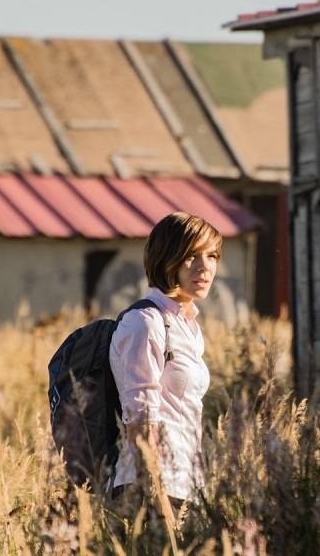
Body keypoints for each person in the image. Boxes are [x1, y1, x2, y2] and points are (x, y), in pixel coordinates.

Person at [108, 212, 220, 508]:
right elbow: (141, 419)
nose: (204, 266)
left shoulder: (188, 325)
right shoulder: (145, 322)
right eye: (192, 256)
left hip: (186, 485)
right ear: (168, 258)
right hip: (149, 489)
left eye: (212, 256)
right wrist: (157, 500)